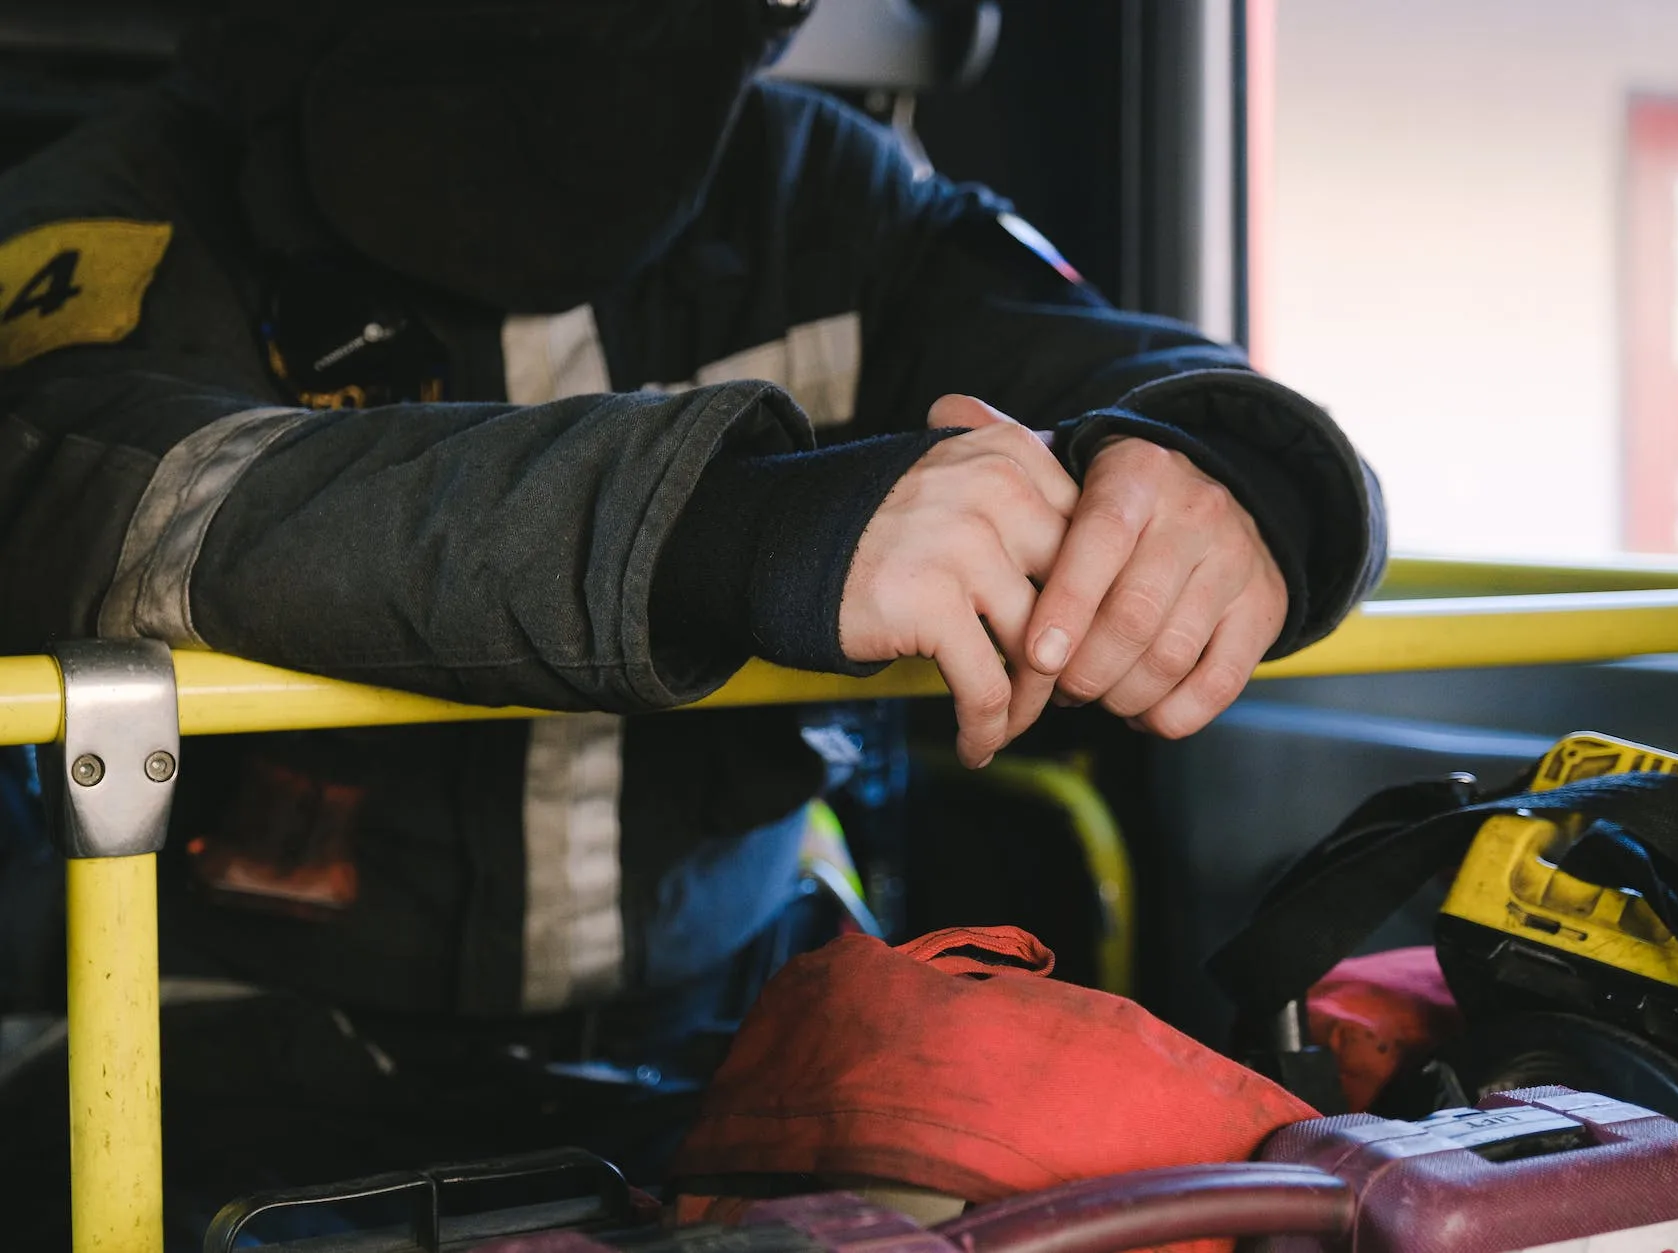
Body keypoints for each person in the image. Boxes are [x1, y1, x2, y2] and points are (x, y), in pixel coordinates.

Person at [0, 0, 1385, 1237]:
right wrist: (741, 530)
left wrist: (1229, 469)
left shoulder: (828, 193)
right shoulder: (138, 193)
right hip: (211, 1038)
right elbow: (83, 485)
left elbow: (1127, 364)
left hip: (738, 1021)